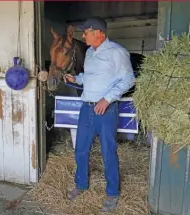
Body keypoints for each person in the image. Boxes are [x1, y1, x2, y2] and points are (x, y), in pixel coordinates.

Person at [64, 17, 135, 212]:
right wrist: (76, 79)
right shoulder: (89, 53)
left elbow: (128, 79)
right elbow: (89, 77)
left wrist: (107, 99)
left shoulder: (117, 53)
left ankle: (112, 192)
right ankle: (81, 184)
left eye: (86, 32)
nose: (83, 35)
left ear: (99, 34)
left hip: (105, 110)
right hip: (86, 108)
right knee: (80, 149)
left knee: (108, 152)